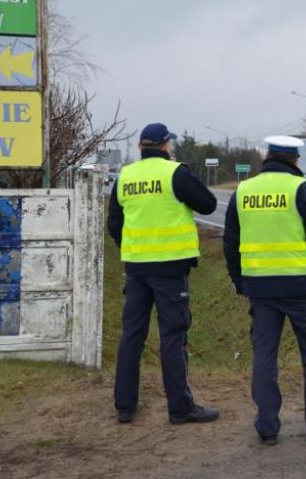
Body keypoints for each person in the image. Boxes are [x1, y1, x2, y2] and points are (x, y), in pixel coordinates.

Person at [223, 135, 306, 445]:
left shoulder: (243, 191)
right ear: (295, 160)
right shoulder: (302, 190)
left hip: (259, 289)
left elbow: (230, 242)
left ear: (267, 157)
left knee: (264, 356)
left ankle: (267, 428)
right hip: (301, 287)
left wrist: (240, 282)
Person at [107, 122, 219, 425]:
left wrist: (132, 248)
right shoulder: (175, 173)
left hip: (136, 268)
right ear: (166, 145)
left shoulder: (125, 176)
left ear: (140, 147)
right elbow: (208, 204)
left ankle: (125, 406)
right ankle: (180, 408)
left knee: (132, 335)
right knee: (172, 336)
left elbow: (114, 223)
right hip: (170, 268)